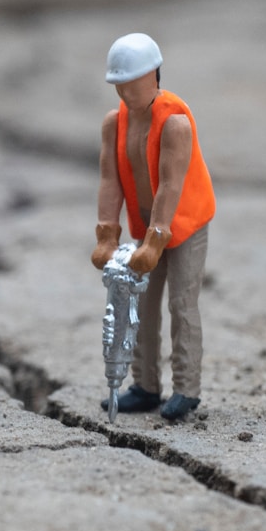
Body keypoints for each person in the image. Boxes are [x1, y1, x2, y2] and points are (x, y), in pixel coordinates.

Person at [90, 33, 216, 420]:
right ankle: (145, 385)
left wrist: (156, 240)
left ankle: (186, 390)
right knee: (139, 307)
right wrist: (108, 233)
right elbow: (110, 180)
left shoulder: (174, 123)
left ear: (154, 76)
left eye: (133, 83)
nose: (126, 93)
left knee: (182, 304)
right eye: (119, 85)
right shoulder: (116, 123)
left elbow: (170, 185)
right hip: (145, 230)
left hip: (184, 226)